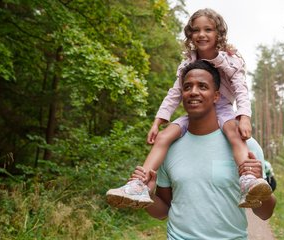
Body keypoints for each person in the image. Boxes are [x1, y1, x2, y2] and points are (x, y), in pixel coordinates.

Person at [106, 8, 271, 209]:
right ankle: (138, 185)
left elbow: (241, 90)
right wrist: (158, 122)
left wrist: (243, 116)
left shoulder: (230, 59)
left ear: (218, 33)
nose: (202, 34)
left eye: (208, 29)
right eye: (196, 30)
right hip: (194, 111)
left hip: (225, 110)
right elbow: (174, 93)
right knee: (164, 137)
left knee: (234, 133)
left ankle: (247, 180)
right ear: (190, 34)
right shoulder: (187, 63)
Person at [133, 60, 277, 239]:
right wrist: (147, 195)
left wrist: (258, 181)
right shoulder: (168, 147)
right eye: (187, 87)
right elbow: (163, 211)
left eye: (202, 86)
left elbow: (265, 213)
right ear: (181, 94)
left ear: (216, 96)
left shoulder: (246, 146)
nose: (193, 92)